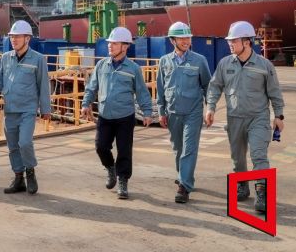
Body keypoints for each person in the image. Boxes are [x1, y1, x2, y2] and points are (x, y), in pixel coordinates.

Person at [205, 21, 285, 213]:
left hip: (259, 118)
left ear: (247, 42)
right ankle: (242, 185)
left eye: (234, 41)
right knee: (237, 158)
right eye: (229, 41)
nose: (230, 44)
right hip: (235, 118)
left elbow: (274, 91)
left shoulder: (264, 65)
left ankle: (262, 194)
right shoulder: (225, 64)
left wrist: (279, 115)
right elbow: (215, 86)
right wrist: (211, 108)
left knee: (259, 156)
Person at [81, 26, 152, 199]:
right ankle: (110, 168)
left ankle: (123, 181)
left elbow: (142, 92)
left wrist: (148, 111)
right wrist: (85, 103)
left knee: (124, 151)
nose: (110, 46)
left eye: (114, 43)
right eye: (109, 43)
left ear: (125, 46)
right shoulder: (101, 65)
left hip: (125, 117)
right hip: (105, 115)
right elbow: (92, 87)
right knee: (100, 146)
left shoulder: (133, 68)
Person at [0, 20, 50, 195]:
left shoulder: (37, 59)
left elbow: (43, 84)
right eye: (12, 37)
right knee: (13, 146)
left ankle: (30, 172)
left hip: (28, 110)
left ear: (27, 38)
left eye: (17, 37)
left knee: (25, 142)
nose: (14, 40)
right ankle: (18, 177)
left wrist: (45, 109)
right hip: (10, 109)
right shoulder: (6, 58)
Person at [156, 22, 211, 203]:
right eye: (182, 38)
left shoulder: (199, 60)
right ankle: (184, 175)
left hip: (193, 112)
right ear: (173, 40)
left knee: (189, 148)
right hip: (172, 112)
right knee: (178, 148)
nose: (186, 41)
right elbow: (160, 88)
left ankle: (184, 186)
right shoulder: (165, 61)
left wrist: (209, 108)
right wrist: (161, 111)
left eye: (188, 37)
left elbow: (207, 87)